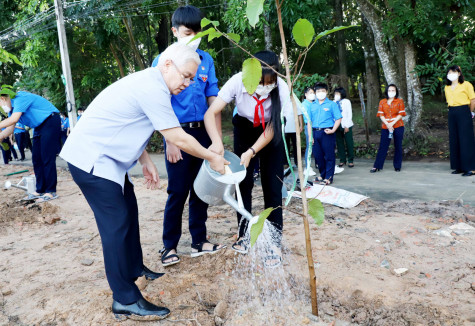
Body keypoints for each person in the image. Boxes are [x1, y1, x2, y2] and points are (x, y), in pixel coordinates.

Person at [60, 42, 227, 321]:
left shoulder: (153, 83)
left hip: (110, 161)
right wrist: (212, 157)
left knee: (130, 210)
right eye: (185, 76)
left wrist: (144, 160)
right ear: (167, 64)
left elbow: (127, 122)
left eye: (192, 79)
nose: (187, 83)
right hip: (91, 160)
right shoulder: (152, 87)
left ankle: (135, 268)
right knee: (116, 224)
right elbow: (178, 137)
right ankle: (124, 298)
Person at [151, 5, 225, 267]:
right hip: (177, 134)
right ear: (175, 31)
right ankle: (169, 246)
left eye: (198, 33)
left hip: (203, 133)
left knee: (201, 189)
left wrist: (216, 140)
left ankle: (199, 241)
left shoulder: (206, 60)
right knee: (178, 191)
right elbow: (160, 103)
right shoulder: (163, 61)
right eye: (187, 32)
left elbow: (213, 100)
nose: (193, 38)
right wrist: (170, 141)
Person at [204, 50, 291, 268]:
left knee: (273, 185)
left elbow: (273, 128)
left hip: (270, 134)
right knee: (243, 183)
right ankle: (244, 235)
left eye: (269, 83)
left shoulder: (280, 87)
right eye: (260, 82)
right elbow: (211, 112)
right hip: (244, 129)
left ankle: (274, 243)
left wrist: (252, 151)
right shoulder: (237, 81)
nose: (264, 88)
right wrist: (217, 143)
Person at [0, 90, 61, 201]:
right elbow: (10, 128)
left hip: (50, 121)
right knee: (36, 159)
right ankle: (40, 189)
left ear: (3, 98)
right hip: (38, 127)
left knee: (46, 157)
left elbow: (14, 119)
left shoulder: (20, 97)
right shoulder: (12, 110)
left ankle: (51, 191)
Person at [444, 65, 475, 176]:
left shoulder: (466, 85)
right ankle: (459, 166)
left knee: (466, 139)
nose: (451, 74)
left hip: (464, 111)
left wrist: (471, 112)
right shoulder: (447, 87)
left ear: (459, 73)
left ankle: (470, 168)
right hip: (452, 112)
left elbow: (473, 100)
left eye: (454, 72)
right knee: (454, 138)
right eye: (449, 72)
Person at [310, 82, 342, 185]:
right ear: (315, 93)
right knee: (318, 156)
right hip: (315, 132)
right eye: (318, 91)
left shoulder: (332, 104)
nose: (320, 93)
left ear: (327, 92)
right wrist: (311, 136)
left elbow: (338, 118)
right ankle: (322, 174)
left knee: (329, 156)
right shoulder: (312, 105)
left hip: (327, 132)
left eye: (323, 91)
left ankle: (329, 177)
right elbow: (309, 122)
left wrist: (333, 130)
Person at [370, 84, 406, 173]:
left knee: (398, 146)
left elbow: (401, 114)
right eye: (389, 90)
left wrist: (392, 124)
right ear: (386, 91)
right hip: (385, 126)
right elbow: (381, 114)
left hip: (398, 125)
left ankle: (397, 166)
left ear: (396, 92)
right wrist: (387, 124)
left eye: (393, 90)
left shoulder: (399, 101)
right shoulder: (382, 102)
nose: (391, 92)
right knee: (383, 146)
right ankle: (377, 166)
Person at [334, 87, 355, 168]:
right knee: (339, 143)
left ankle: (350, 160)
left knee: (349, 142)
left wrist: (346, 125)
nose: (336, 95)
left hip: (346, 125)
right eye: (335, 94)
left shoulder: (346, 102)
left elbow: (349, 114)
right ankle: (342, 160)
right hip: (337, 125)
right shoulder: (333, 102)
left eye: (338, 94)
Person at [300, 87, 317, 176]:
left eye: (313, 92)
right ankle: (307, 167)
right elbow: (308, 120)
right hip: (309, 127)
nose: (312, 94)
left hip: (317, 126)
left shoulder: (315, 103)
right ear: (306, 94)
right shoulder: (304, 104)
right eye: (310, 93)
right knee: (310, 146)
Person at [284, 96, 303, 167]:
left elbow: (299, 114)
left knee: (296, 146)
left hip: (295, 129)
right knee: (286, 146)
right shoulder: (283, 102)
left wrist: (301, 125)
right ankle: (286, 163)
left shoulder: (296, 102)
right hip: (285, 129)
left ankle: (297, 162)